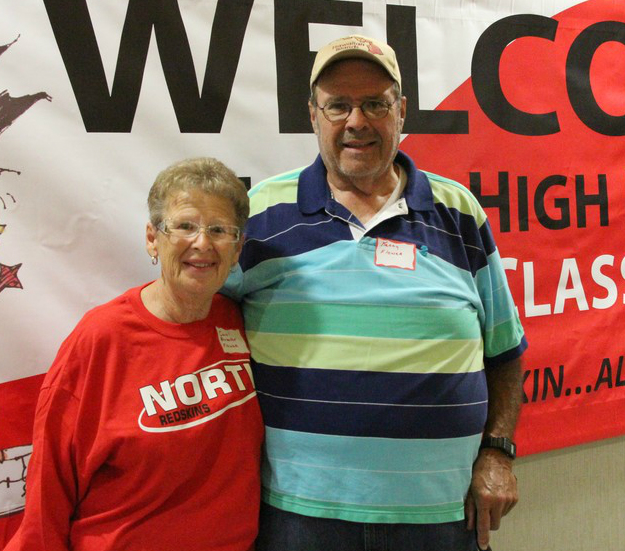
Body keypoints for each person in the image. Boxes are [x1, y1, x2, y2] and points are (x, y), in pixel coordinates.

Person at [222, 35, 526, 551]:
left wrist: (497, 451)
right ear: (313, 115)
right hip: (300, 515)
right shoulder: (261, 214)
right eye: (338, 105)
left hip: (443, 513)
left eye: (375, 104)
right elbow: (205, 331)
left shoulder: (459, 213)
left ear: (401, 111)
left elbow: (505, 351)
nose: (356, 121)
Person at [4, 157, 264, 551]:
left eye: (218, 230)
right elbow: (50, 482)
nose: (202, 243)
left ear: (237, 247)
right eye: (185, 226)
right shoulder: (102, 338)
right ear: (152, 238)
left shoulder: (240, 321)